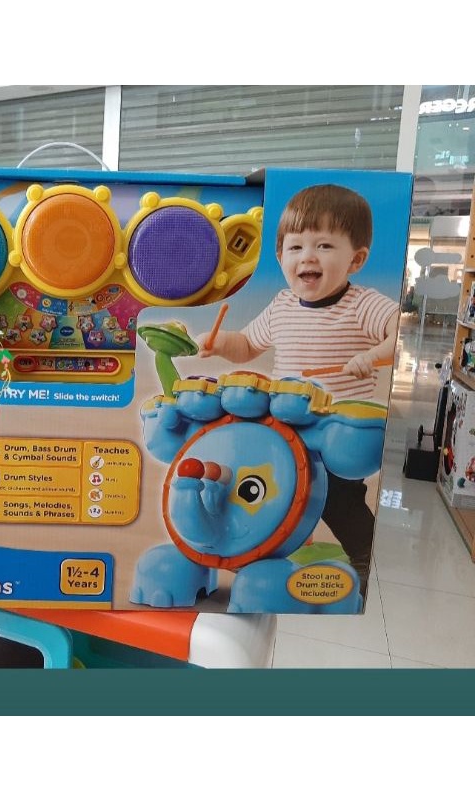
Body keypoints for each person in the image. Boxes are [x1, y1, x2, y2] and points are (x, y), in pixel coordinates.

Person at [199, 184, 400, 594]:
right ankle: (272, 550)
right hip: (286, 425)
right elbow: (247, 345)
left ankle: (364, 559)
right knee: (277, 490)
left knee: (340, 501)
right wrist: (220, 343)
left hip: (337, 433)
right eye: (295, 247)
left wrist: (373, 355)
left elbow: (400, 333)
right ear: (280, 258)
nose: (307, 256)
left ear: (356, 259)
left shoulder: (363, 305)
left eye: (324, 245)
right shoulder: (282, 305)